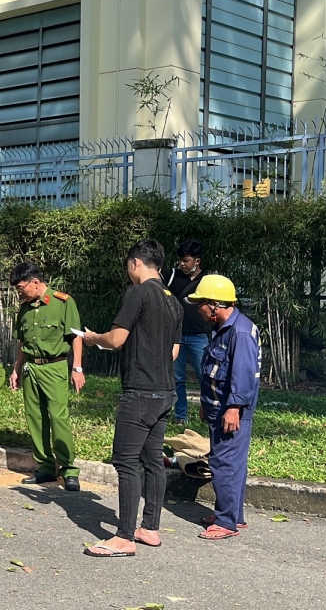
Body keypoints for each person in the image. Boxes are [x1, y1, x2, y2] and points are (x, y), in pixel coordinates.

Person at [82, 239, 181, 558]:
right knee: (153, 461)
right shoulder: (173, 301)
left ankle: (124, 536)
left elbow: (116, 339)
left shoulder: (137, 293)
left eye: (128, 265)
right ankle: (149, 528)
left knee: (125, 461)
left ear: (135, 263)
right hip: (166, 392)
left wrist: (92, 338)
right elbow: (174, 351)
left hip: (139, 392)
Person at [187, 275, 260, 540]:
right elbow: (217, 370)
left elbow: (242, 373)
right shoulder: (225, 328)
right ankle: (233, 515)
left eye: (202, 304)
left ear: (216, 304)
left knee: (224, 462)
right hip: (219, 406)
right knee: (233, 463)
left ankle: (226, 521)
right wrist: (208, 403)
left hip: (231, 409)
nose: (199, 309)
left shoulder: (239, 332)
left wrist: (233, 408)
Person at [8, 262, 85, 491]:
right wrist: (17, 369)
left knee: (58, 417)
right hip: (32, 368)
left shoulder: (63, 302)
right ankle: (45, 467)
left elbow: (76, 336)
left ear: (35, 282)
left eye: (21, 287)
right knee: (35, 418)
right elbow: (22, 341)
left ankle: (69, 470)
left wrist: (77, 367)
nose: (19, 292)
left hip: (55, 367)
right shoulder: (25, 308)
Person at [164, 239, 210, 424]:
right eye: (180, 260)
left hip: (199, 336)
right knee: (178, 378)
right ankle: (180, 416)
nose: (181, 264)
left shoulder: (207, 280)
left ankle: (209, 412)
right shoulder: (172, 275)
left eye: (186, 260)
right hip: (175, 336)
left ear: (197, 261)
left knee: (206, 377)